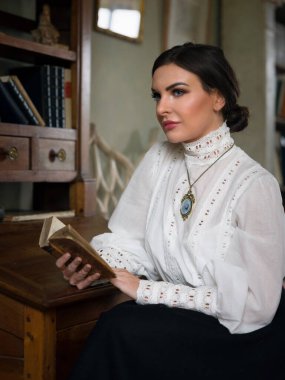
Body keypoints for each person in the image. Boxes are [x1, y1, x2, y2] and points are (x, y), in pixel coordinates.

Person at [56, 42, 285, 379]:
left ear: (218, 97)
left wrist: (145, 290)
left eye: (177, 92)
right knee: (116, 323)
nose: (162, 107)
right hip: (182, 315)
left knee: (121, 327)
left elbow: (256, 307)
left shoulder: (255, 185)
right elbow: (128, 238)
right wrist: (95, 266)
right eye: (157, 95)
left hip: (244, 335)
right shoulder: (161, 157)